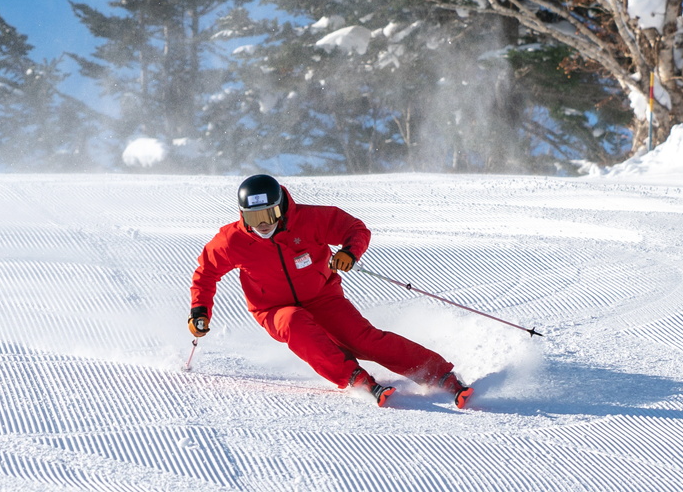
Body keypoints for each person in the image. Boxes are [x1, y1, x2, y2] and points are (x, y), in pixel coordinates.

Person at [188, 174, 472, 408]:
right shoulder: (231, 239)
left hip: (323, 296)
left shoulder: (310, 220)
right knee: (295, 323)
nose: (263, 224)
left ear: (281, 207)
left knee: (362, 339)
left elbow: (355, 228)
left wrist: (350, 252)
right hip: (272, 309)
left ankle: (440, 374)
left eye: (269, 214)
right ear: (242, 215)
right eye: (254, 217)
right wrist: (200, 311)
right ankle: (356, 378)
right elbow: (206, 274)